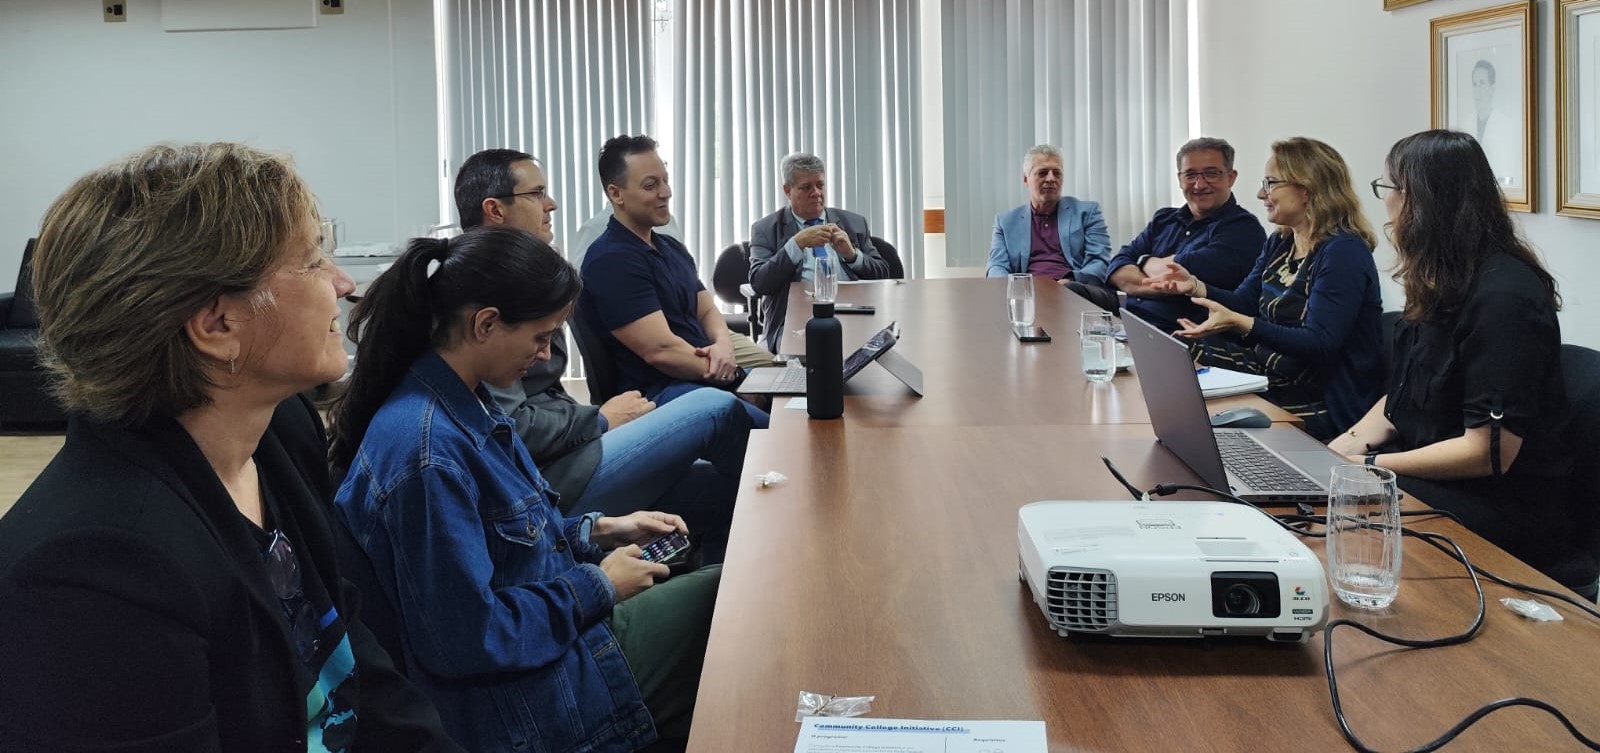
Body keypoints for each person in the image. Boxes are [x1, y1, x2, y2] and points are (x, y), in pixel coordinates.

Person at [0, 143, 461, 752]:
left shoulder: (279, 432)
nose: (343, 283)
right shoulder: (90, 577)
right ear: (217, 325)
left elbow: (349, 656)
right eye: (312, 261)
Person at [328, 227, 721, 752]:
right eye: (540, 337)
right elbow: (468, 640)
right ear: (486, 324)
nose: (543, 356)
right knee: (729, 601)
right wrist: (598, 586)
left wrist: (600, 530)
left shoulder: (466, 402)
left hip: (552, 650)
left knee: (721, 584)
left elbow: (510, 544)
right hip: (531, 703)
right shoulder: (427, 455)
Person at [1330, 129, 1593, 597]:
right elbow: (1404, 394)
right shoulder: (1441, 279)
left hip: (1503, 509)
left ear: (1417, 199)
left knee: (1345, 531)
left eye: (1387, 188)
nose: (1384, 202)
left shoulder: (1504, 297)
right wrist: (1340, 450)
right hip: (1432, 480)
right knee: (1319, 510)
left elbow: (1486, 451)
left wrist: (1371, 466)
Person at [451, 149, 751, 555]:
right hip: (547, 479)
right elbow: (511, 425)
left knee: (729, 491)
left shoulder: (513, 273)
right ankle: (813, 476)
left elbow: (705, 306)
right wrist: (599, 419)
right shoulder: (484, 289)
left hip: (570, 450)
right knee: (715, 409)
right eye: (537, 193)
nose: (551, 203)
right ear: (495, 210)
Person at [1144, 137, 1383, 441]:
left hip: (1319, 400)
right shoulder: (1280, 242)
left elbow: (1320, 342)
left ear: (1306, 189)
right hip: (1270, 376)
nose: (1261, 194)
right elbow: (1245, 303)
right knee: (1174, 364)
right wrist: (1197, 286)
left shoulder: (1343, 252)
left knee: (1198, 423)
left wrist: (1241, 323)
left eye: (1271, 183)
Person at [577, 133, 770, 428]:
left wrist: (723, 347)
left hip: (701, 376)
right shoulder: (611, 259)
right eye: (650, 185)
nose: (665, 192)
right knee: (775, 433)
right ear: (616, 194)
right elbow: (661, 352)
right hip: (662, 391)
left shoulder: (670, 247)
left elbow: (705, 309)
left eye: (665, 181)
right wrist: (733, 375)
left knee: (796, 394)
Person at [1104, 137, 1266, 332]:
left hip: (1177, 333)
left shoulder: (1244, 229)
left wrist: (1143, 261)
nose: (1199, 185)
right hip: (1127, 318)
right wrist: (1157, 286)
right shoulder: (1164, 219)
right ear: (1179, 179)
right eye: (1190, 175)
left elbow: (1181, 271)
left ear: (1231, 177)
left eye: (1211, 174)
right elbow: (1117, 266)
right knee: (1073, 292)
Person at [748, 151, 894, 352]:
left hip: (852, 312)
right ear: (787, 191)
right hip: (795, 318)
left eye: (820, 185)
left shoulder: (853, 223)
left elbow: (883, 273)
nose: (816, 193)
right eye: (806, 187)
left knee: (873, 352)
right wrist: (796, 245)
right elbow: (759, 282)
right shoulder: (765, 229)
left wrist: (852, 256)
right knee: (810, 358)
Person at [986, 144, 1117, 311]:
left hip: (1078, 290)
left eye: (1057, 173)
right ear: (1026, 178)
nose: (1051, 178)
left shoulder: (1087, 212)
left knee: (1069, 292)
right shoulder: (1005, 222)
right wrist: (1018, 290)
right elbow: (996, 268)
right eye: (1042, 173)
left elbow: (1100, 261)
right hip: (1029, 295)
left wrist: (1070, 280)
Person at [1469, 59, 1519, 188]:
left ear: (1492, 88)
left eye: (1482, 83)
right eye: (1474, 84)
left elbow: (1507, 168)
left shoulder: (1505, 124)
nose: (1477, 90)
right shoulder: (1466, 122)